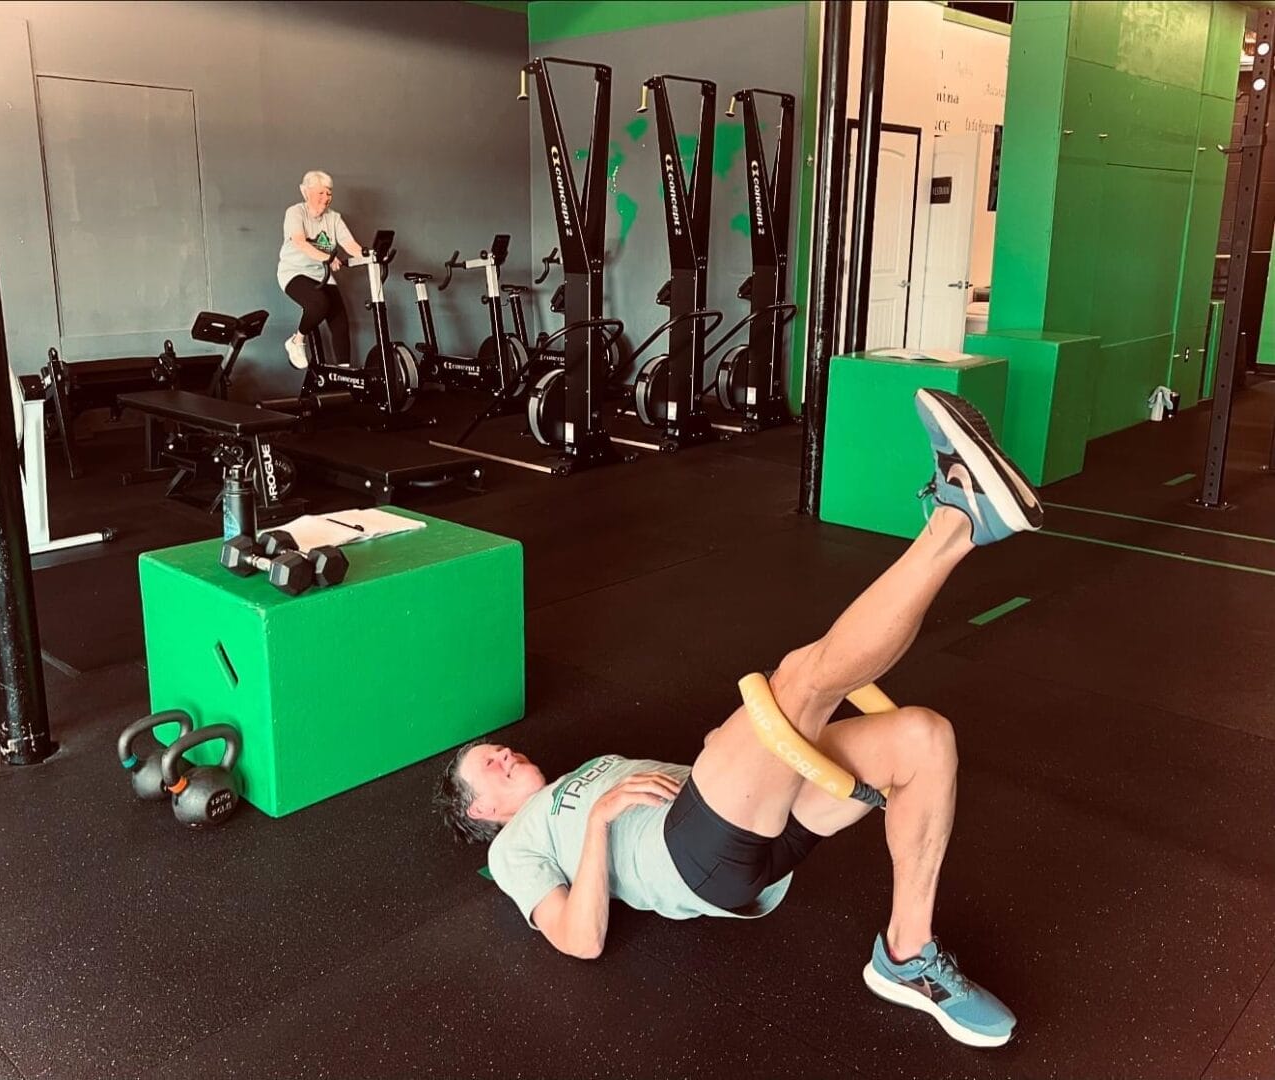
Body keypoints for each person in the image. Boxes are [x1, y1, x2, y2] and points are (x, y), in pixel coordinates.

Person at [434, 388, 1044, 1049]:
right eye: (487, 769)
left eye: (496, 750)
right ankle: (956, 521)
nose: (502, 756)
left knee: (923, 738)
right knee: (800, 679)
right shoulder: (512, 846)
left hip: (751, 823)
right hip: (692, 856)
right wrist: (602, 821)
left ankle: (907, 955)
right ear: (483, 812)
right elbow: (579, 942)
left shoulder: (580, 772)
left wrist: (727, 755)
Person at [276, 170, 364, 370]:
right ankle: (296, 342)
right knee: (319, 304)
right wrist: (328, 257)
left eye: (329, 193)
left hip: (321, 273)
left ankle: (345, 373)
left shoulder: (334, 218)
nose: (326, 198)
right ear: (306, 192)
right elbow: (300, 242)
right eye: (321, 193)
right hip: (294, 272)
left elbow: (350, 244)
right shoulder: (295, 212)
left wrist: (370, 255)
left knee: (340, 320)